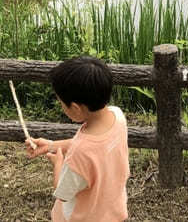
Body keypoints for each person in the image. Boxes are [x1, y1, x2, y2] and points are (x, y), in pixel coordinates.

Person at [25, 57, 130, 222]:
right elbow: (96, 148)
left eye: (61, 103)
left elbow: (64, 192)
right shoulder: (117, 116)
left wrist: (58, 163)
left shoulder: (79, 154)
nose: (61, 106)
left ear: (75, 108)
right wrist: (51, 145)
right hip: (111, 210)